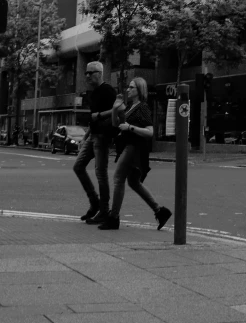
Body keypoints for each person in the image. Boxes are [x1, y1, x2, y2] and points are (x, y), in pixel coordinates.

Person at [98, 77, 172, 232]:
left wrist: (130, 128)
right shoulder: (131, 107)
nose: (128, 90)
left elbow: (150, 132)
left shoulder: (142, 108)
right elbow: (116, 125)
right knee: (133, 182)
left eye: (131, 87)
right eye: (128, 87)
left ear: (139, 90)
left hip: (134, 148)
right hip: (128, 146)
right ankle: (160, 211)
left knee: (118, 178)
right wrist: (115, 110)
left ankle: (114, 218)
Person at [73, 61, 116, 224]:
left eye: (90, 73)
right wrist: (86, 136)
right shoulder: (92, 93)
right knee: (78, 166)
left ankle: (104, 210)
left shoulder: (108, 91)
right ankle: (95, 203)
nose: (87, 76)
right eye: (86, 73)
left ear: (99, 73)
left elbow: (118, 110)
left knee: (101, 173)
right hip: (93, 136)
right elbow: (92, 117)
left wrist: (98, 115)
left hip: (103, 137)